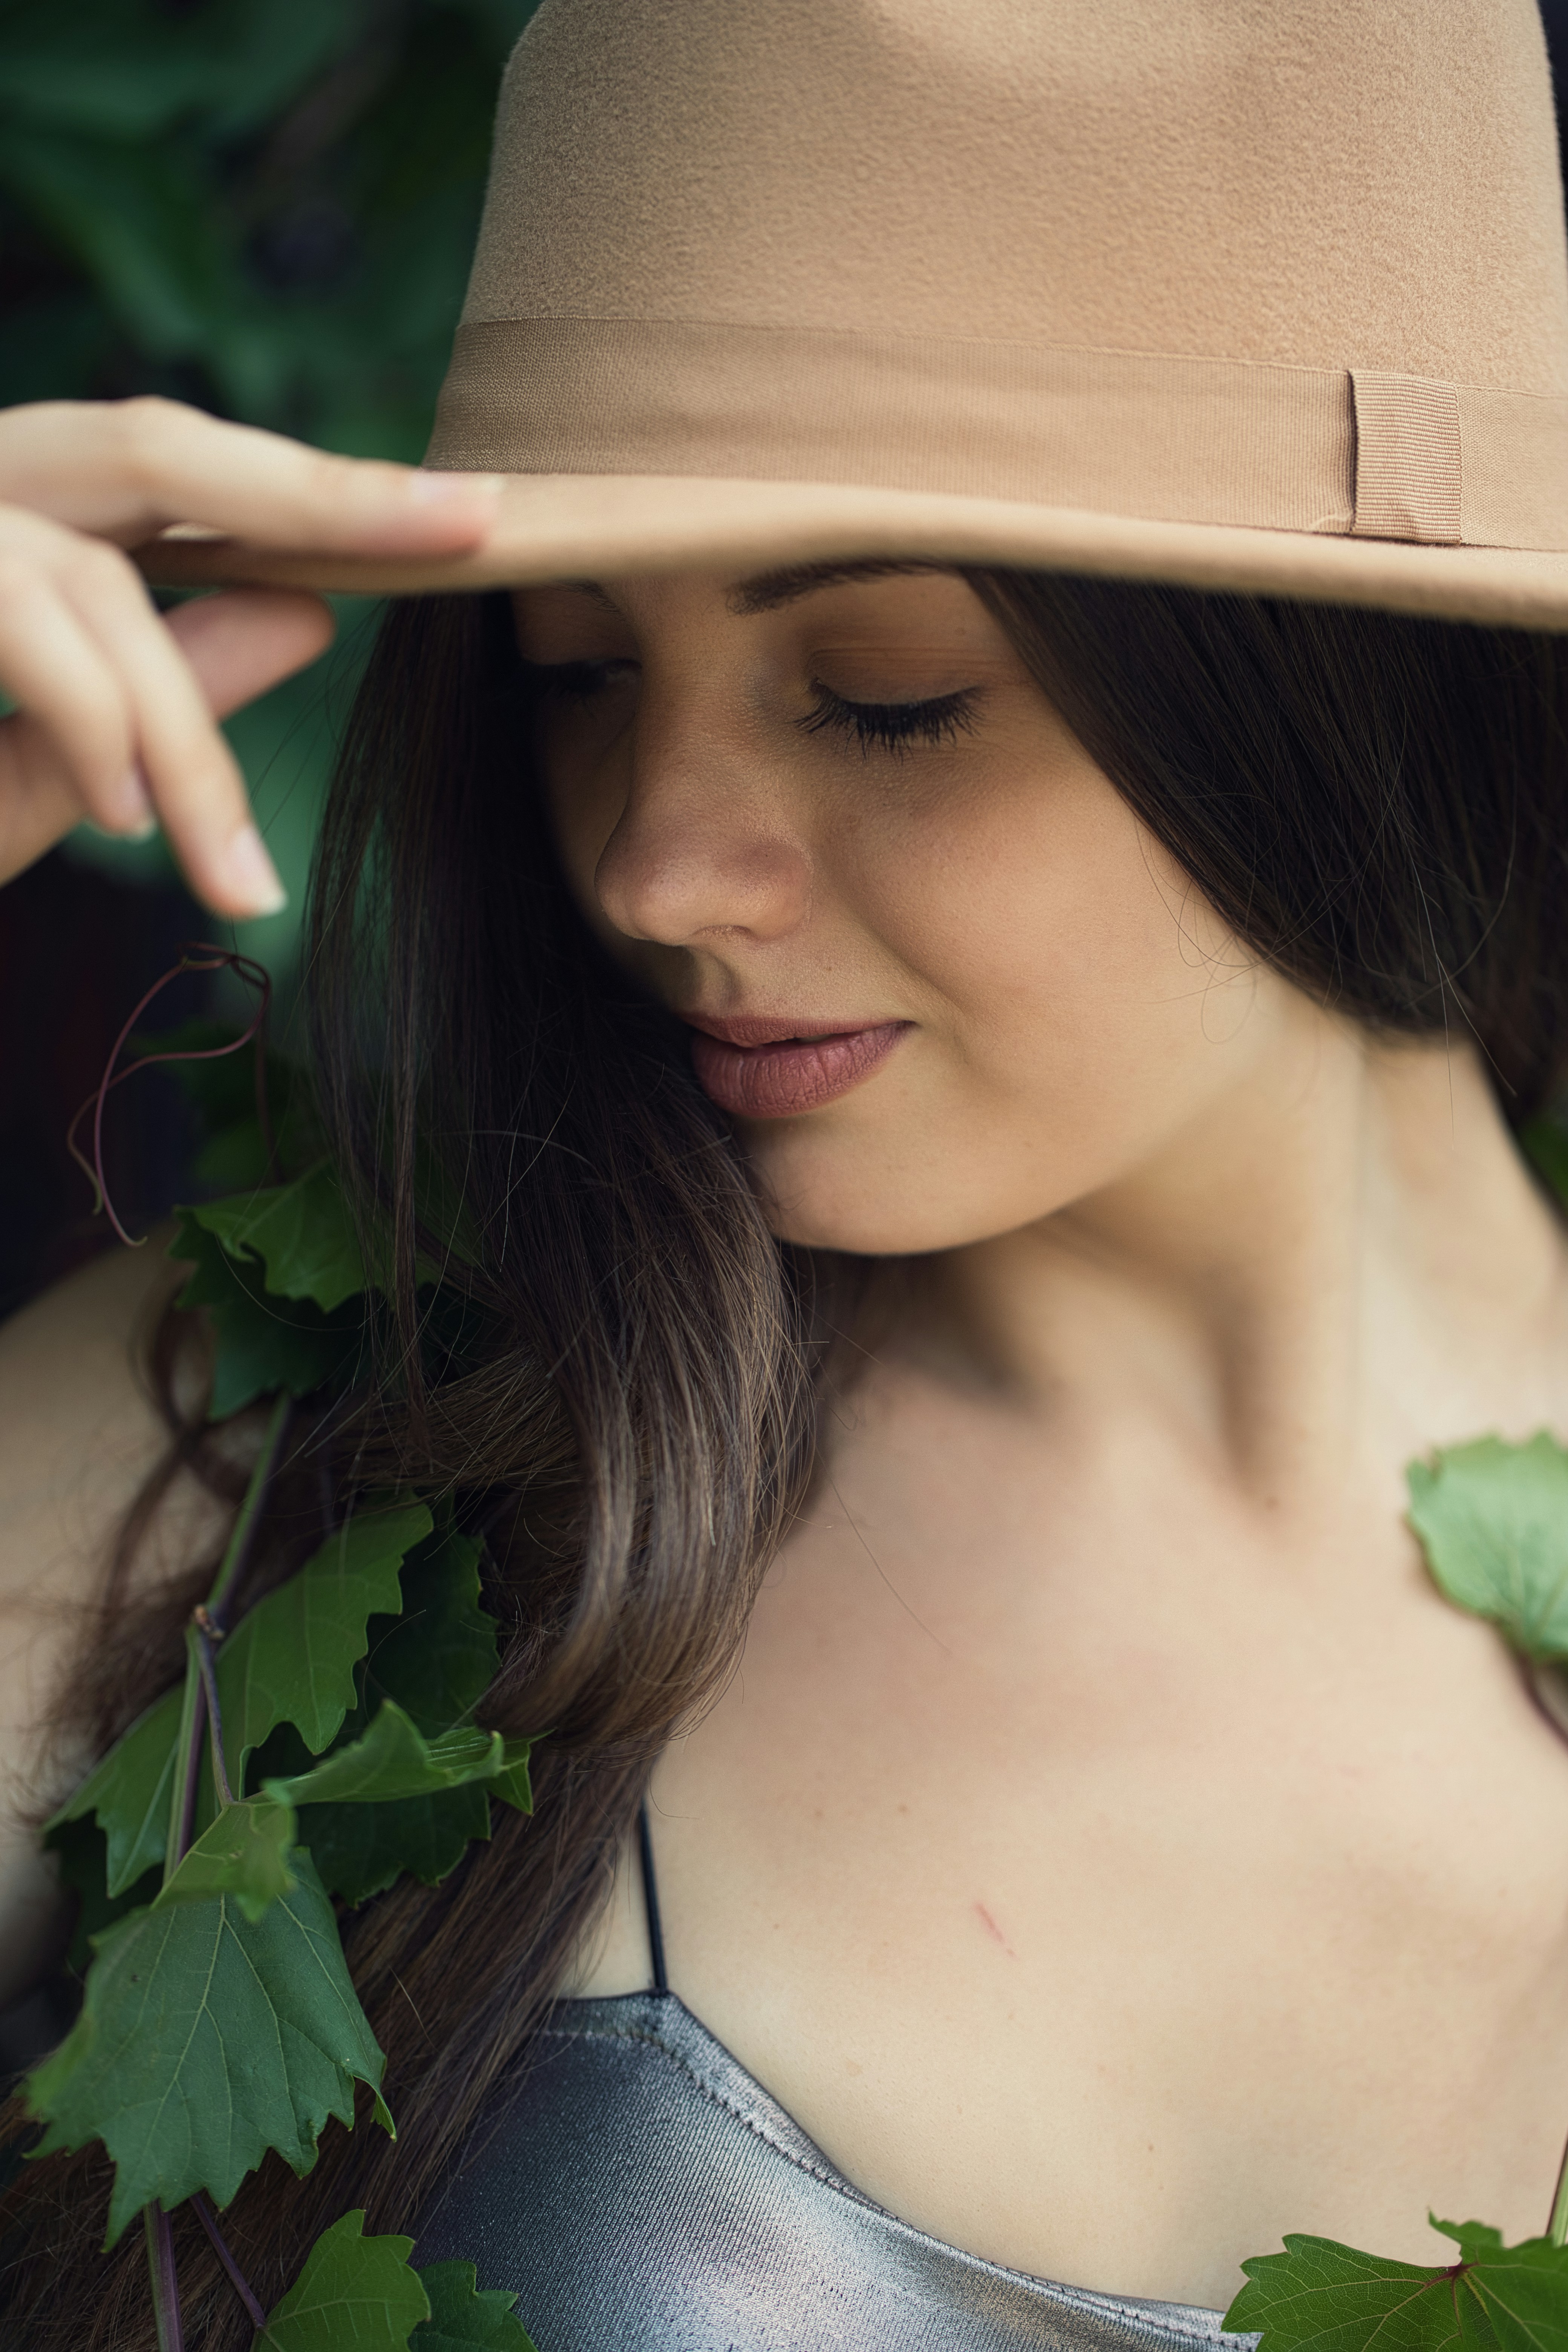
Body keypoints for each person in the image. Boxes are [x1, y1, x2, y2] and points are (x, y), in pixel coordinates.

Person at [7, 1, 1568, 2344]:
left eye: (888, 688)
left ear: (1340, 681)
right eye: (575, 673)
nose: (654, 869)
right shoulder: (272, 1445)